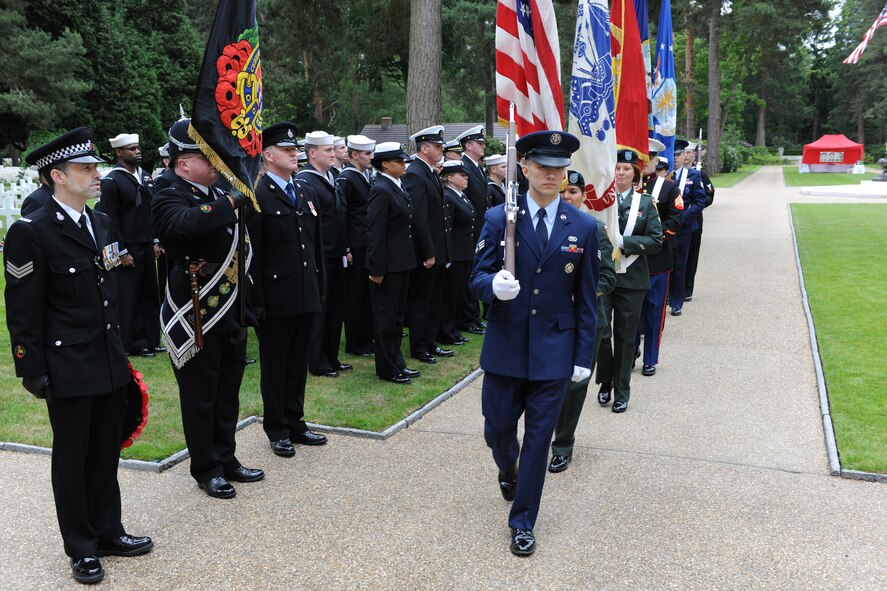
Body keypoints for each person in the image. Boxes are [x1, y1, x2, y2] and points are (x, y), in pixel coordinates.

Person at [4, 128, 153, 584]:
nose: (96, 176)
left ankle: (109, 530)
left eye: (95, 168)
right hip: (67, 365)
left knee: (104, 452)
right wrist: (32, 369)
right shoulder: (32, 232)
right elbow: (23, 310)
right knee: (72, 459)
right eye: (86, 169)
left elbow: (107, 292)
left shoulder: (101, 222)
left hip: (107, 360)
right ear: (57, 176)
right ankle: (82, 547)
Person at [470, 130, 600, 556]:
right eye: (543, 165)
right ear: (523, 167)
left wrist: (584, 357)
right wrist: (494, 284)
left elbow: (586, 299)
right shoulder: (498, 219)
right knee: (498, 431)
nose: (551, 174)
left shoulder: (582, 225)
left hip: (554, 353)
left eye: (559, 168)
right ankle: (507, 467)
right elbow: (475, 278)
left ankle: (523, 521)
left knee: (539, 441)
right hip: (506, 348)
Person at [152, 118, 264, 499]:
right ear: (184, 161)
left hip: (230, 304)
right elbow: (183, 225)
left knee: (228, 388)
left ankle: (226, 456)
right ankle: (206, 467)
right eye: (209, 155)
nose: (218, 162)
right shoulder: (167, 190)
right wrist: (231, 200)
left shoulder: (218, 188)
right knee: (200, 393)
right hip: (197, 308)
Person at [249, 122, 328, 458]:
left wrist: (320, 287)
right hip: (276, 297)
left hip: (305, 292)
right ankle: (277, 427)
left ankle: (296, 421)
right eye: (287, 149)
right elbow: (253, 253)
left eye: (295, 149)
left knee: (298, 362)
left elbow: (315, 246)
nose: (295, 153)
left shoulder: (305, 191)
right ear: (268, 156)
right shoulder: (258, 195)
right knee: (276, 364)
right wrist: (257, 302)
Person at [548, 170, 616, 474]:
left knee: (575, 386)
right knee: (548, 380)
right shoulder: (545, 228)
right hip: (551, 320)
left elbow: (608, 277)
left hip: (586, 320)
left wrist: (581, 298)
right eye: (562, 192)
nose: (566, 197)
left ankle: (562, 445)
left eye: (572, 192)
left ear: (583, 196)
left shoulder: (594, 229)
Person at [595, 149, 663, 413]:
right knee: (601, 333)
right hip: (603, 278)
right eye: (617, 168)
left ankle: (622, 390)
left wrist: (625, 243)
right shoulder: (600, 200)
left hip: (632, 280)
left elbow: (656, 241)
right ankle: (605, 381)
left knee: (625, 338)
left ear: (635, 173)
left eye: (626, 168)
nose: (621, 172)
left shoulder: (645, 203)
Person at [96, 133, 164, 358]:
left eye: (138, 147)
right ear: (119, 152)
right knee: (129, 296)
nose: (138, 151)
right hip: (127, 247)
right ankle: (134, 342)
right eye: (132, 149)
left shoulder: (144, 176)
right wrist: (121, 251)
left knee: (149, 294)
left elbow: (151, 211)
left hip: (145, 243)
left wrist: (155, 240)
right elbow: (109, 219)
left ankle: (152, 339)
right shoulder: (112, 180)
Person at [365, 143, 422, 384]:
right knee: (386, 318)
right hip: (387, 266)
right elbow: (375, 231)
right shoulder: (381, 188)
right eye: (399, 161)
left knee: (398, 317)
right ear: (385, 164)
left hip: (402, 262)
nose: (404, 165)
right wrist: (376, 268)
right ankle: (387, 367)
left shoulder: (395, 185)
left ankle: (397, 361)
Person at [297, 131, 351, 377]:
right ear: (312, 153)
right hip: (321, 255)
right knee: (321, 310)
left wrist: (346, 248)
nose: (333, 154)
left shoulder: (331, 176)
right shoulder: (306, 181)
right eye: (328, 150)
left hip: (336, 253)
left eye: (332, 150)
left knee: (336, 309)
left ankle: (332, 356)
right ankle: (317, 361)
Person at [403, 125, 453, 364]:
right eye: (437, 146)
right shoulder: (415, 173)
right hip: (426, 251)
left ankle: (430, 341)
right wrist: (428, 252)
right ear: (424, 148)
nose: (441, 149)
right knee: (422, 300)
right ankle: (419, 345)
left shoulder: (429, 171)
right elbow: (418, 217)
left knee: (436, 299)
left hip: (437, 248)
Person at [635, 141, 683, 377]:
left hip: (657, 259)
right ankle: (630, 351)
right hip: (629, 261)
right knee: (630, 312)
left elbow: (675, 220)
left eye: (649, 157)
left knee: (654, 311)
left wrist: (649, 239)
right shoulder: (625, 186)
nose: (645, 162)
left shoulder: (668, 188)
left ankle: (650, 359)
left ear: (656, 161)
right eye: (641, 157)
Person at [337, 134, 377, 357]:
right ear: (354, 155)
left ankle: (366, 338)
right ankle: (356, 342)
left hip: (366, 242)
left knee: (366, 294)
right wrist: (347, 248)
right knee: (356, 295)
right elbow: (342, 214)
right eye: (366, 154)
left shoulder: (364, 175)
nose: (371, 157)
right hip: (356, 243)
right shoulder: (347, 178)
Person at [437, 160, 475, 346]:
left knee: (459, 293)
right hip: (455, 254)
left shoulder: (460, 195)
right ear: (450, 178)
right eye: (462, 175)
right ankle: (446, 332)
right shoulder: (448, 196)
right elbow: (447, 229)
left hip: (465, 253)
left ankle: (455, 330)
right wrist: (448, 256)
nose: (466, 177)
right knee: (450, 296)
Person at [668, 139, 706, 316]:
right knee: (663, 264)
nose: (675, 158)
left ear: (684, 156)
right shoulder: (664, 176)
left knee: (680, 265)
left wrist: (682, 218)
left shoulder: (693, 176)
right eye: (673, 154)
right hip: (665, 227)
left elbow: (700, 201)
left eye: (678, 154)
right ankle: (665, 296)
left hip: (684, 228)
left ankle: (677, 301)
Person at [456, 125, 489, 335]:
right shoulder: (463, 167)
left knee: (475, 272)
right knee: (468, 276)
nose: (483, 146)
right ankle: (468, 319)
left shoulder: (476, 166)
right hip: (469, 230)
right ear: (468, 146)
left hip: (479, 228)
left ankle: (474, 318)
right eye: (479, 143)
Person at [684, 152, 715, 302]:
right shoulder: (669, 172)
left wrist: (695, 205)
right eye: (681, 153)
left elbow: (710, 195)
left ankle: (687, 288)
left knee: (691, 254)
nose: (684, 156)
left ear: (693, 155)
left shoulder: (699, 174)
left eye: (687, 152)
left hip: (694, 219)